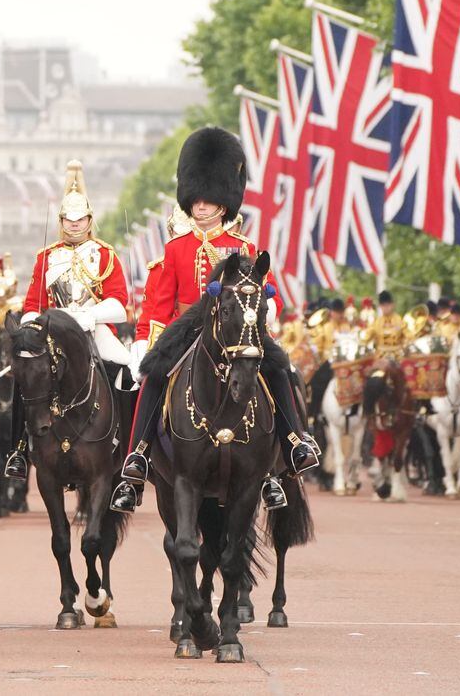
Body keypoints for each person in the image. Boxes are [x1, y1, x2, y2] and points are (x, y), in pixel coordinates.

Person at [114, 127, 319, 514]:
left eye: (209, 200)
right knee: (152, 377)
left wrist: (265, 313)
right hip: (188, 330)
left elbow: (268, 291)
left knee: (281, 371)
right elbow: (160, 303)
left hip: (240, 328)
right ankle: (137, 458)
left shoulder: (245, 248)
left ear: (224, 203)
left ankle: (292, 447)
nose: (201, 206)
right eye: (196, 199)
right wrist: (146, 344)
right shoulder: (176, 248)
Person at [3, 160, 133, 483]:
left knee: (128, 372)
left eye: (81, 220)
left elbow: (120, 303)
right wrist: (37, 323)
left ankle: (130, 449)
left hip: (94, 328)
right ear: (61, 221)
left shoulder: (105, 254)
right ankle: (19, 449)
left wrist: (90, 315)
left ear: (90, 220)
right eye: (69, 221)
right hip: (53, 333)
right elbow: (32, 303)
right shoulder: (46, 256)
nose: (75, 226)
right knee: (26, 375)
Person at [366, 291, 407, 359]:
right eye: (383, 305)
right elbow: (367, 337)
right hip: (380, 357)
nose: (386, 307)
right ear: (380, 306)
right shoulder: (376, 323)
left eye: (388, 305)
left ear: (393, 305)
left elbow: (408, 337)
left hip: (398, 357)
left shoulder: (400, 321)